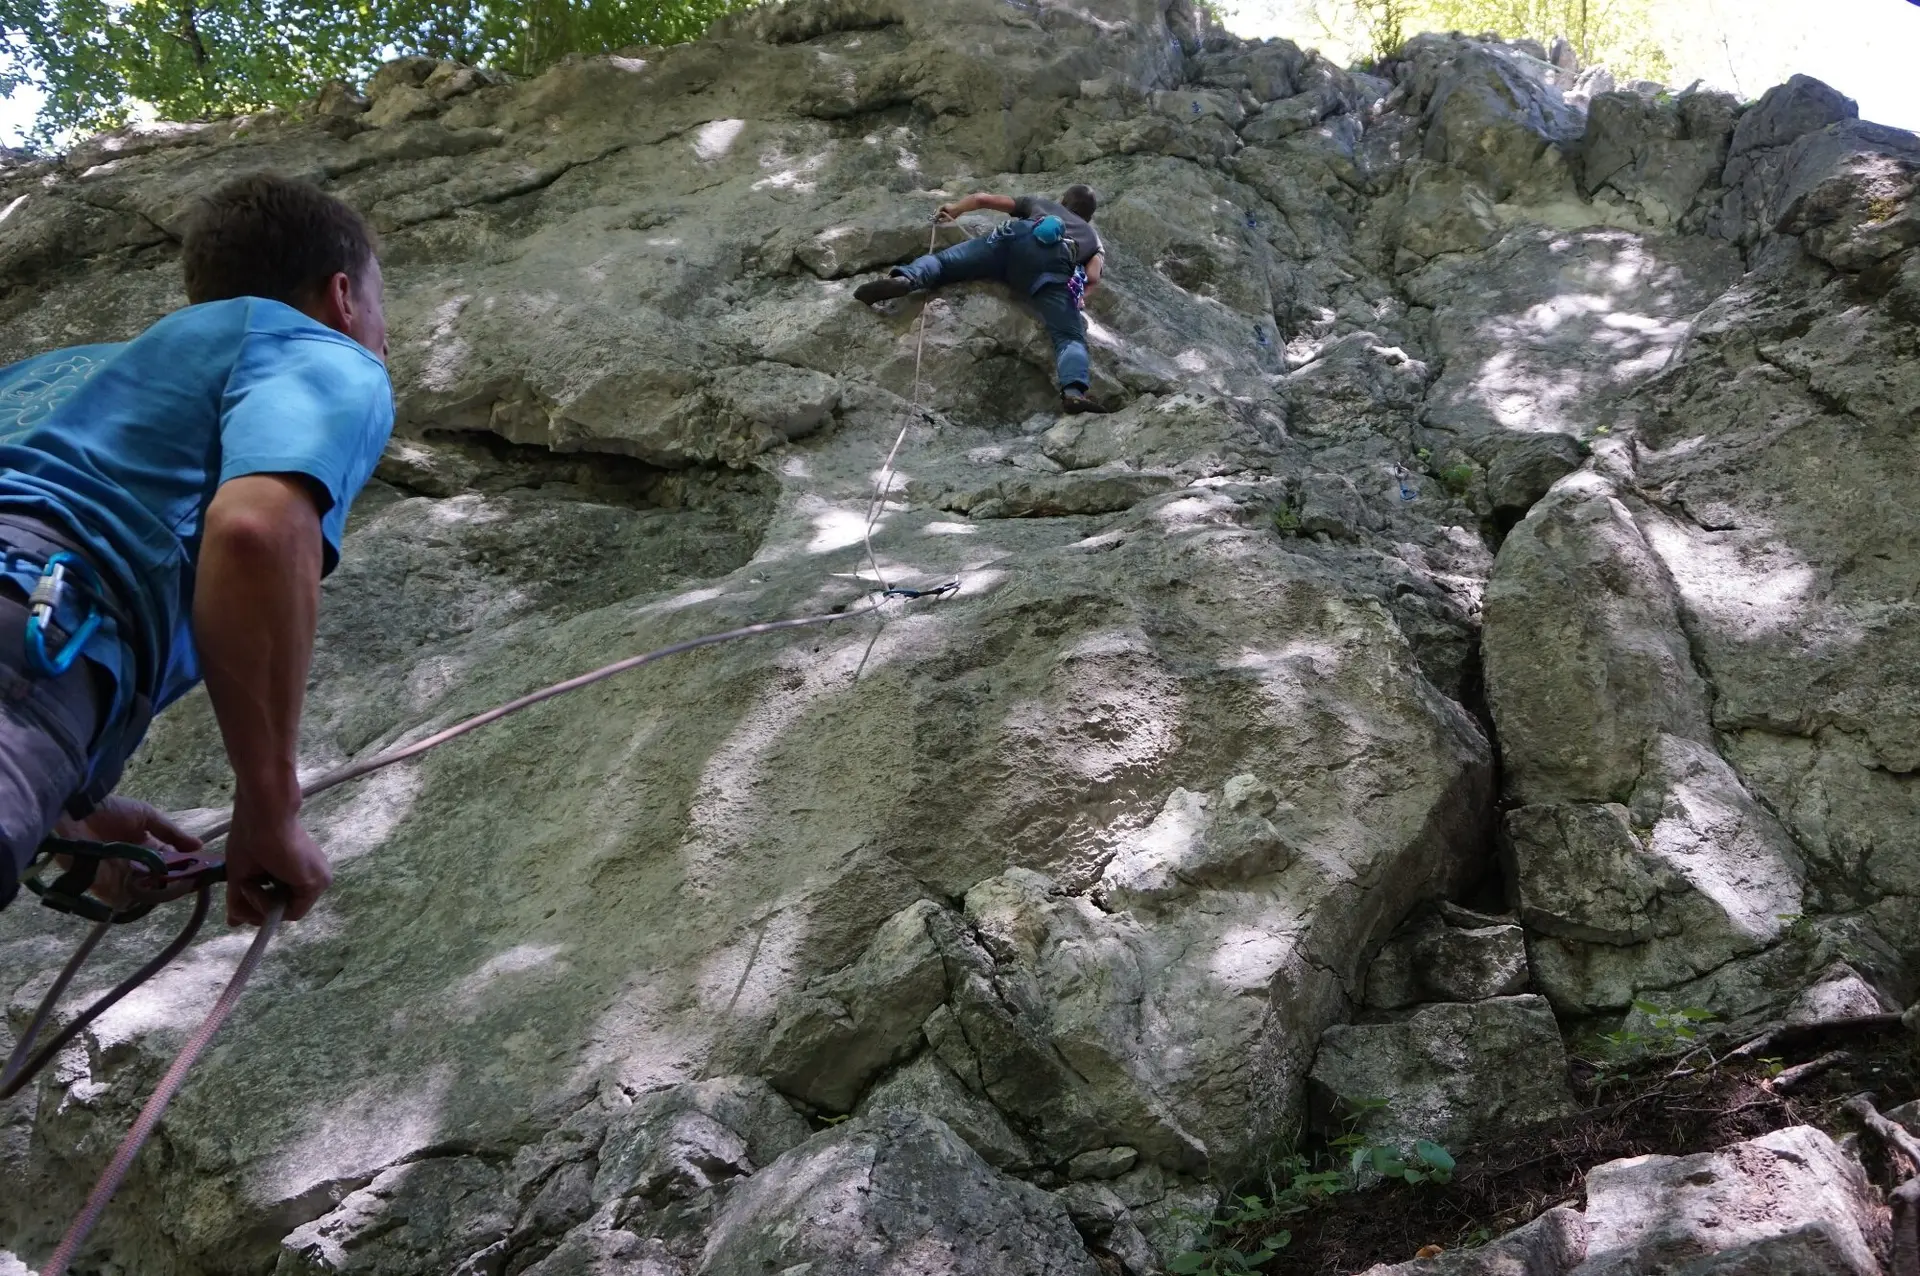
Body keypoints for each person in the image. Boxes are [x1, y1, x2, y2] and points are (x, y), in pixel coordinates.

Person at [0, 171, 393, 928]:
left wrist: (75, 812)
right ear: (342, 297)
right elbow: (256, 531)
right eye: (383, 310)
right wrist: (270, 806)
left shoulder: (45, 377)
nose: (384, 339)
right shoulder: (317, 349)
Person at [854, 184, 1107, 413]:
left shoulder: (1041, 204)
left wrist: (955, 209)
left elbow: (982, 199)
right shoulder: (1093, 240)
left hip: (1011, 240)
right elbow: (1093, 276)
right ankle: (1073, 392)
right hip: (1049, 269)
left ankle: (906, 279)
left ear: (1063, 201)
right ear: (1089, 216)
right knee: (1068, 335)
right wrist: (1080, 298)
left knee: (943, 263)